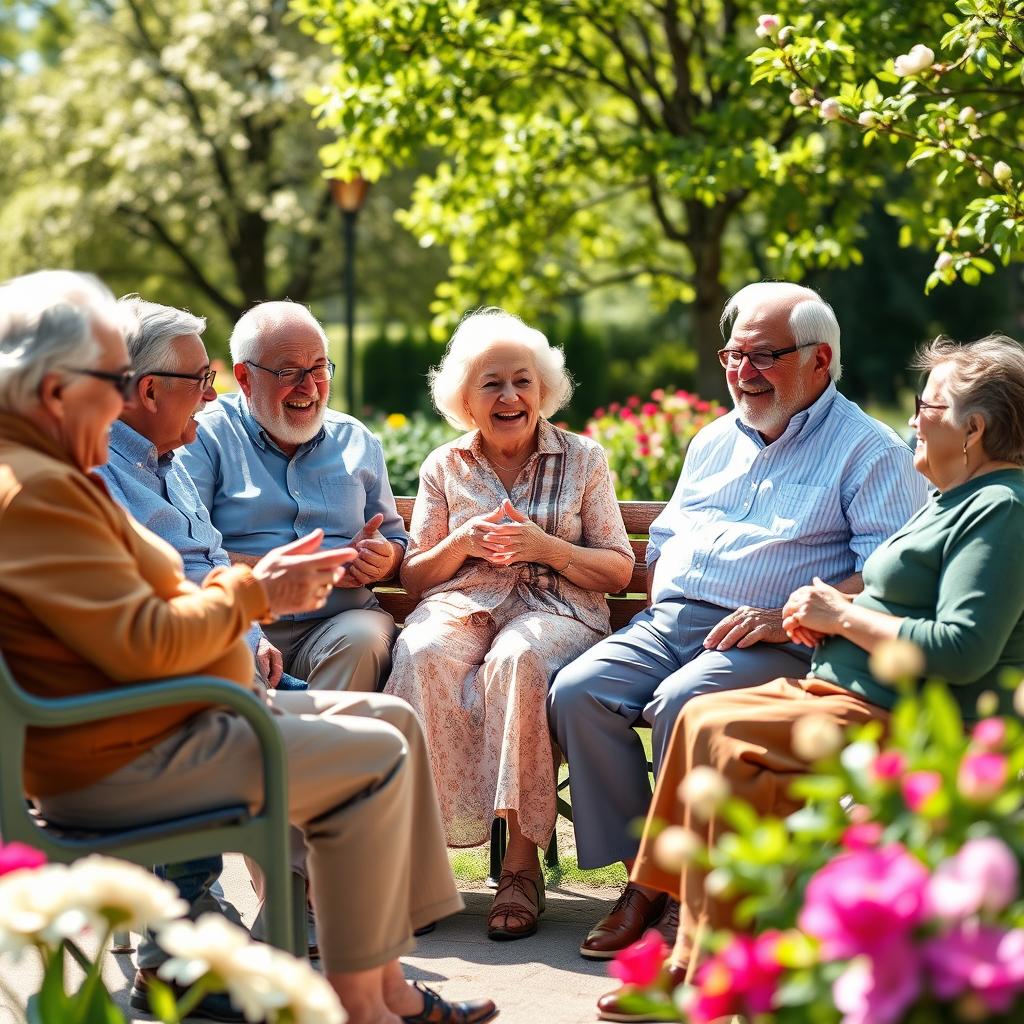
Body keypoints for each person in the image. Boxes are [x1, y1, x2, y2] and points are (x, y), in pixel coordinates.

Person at [0, 270, 495, 1024]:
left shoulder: (58, 475)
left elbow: (143, 614)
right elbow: (144, 643)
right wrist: (256, 595)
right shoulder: (40, 490)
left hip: (168, 723)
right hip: (130, 752)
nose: (129, 400)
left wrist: (251, 601)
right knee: (376, 754)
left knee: (390, 724)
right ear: (59, 388)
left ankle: (382, 987)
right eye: (115, 381)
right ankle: (363, 1006)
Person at [597, 333, 1024, 1023]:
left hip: (904, 715)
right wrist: (830, 613)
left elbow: (962, 647)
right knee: (704, 717)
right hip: (846, 687)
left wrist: (843, 616)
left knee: (726, 733)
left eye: (929, 405)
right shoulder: (954, 498)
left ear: (973, 428)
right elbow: (911, 606)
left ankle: (703, 962)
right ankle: (680, 927)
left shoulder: (1000, 509)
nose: (914, 417)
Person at [548, 281, 927, 960]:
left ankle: (680, 890)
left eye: (763, 357)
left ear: (820, 359)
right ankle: (648, 877)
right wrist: (666, 602)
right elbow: (666, 537)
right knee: (579, 692)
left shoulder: (871, 451)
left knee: (683, 702)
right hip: (673, 619)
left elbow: (882, 572)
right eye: (733, 355)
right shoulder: (713, 440)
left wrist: (784, 619)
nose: (743, 374)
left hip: (778, 635)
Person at [384, 308, 634, 940]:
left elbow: (618, 570)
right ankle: (423, 866)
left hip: (559, 612)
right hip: (462, 608)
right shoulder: (446, 465)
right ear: (466, 399)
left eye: (522, 381)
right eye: (491, 384)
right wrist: (464, 539)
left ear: (542, 388)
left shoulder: (583, 459)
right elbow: (414, 578)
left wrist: (545, 547)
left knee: (517, 658)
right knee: (420, 651)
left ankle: (520, 871)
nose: (509, 396)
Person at [93, 296, 308, 1019]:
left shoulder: (170, 457)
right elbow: (147, 615)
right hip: (169, 697)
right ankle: (188, 943)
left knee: (386, 724)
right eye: (202, 376)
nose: (213, 394)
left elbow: (210, 561)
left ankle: (296, 931)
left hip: (227, 668)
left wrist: (256, 639)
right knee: (362, 747)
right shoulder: (96, 480)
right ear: (147, 389)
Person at [179, 300, 406, 693]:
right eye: (289, 372)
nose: (309, 386)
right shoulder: (204, 437)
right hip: (245, 618)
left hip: (339, 620)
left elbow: (396, 540)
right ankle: (293, 750)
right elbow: (188, 550)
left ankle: (324, 749)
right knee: (230, 651)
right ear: (244, 378)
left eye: (319, 368)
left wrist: (384, 560)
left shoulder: (357, 439)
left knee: (363, 639)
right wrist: (285, 571)